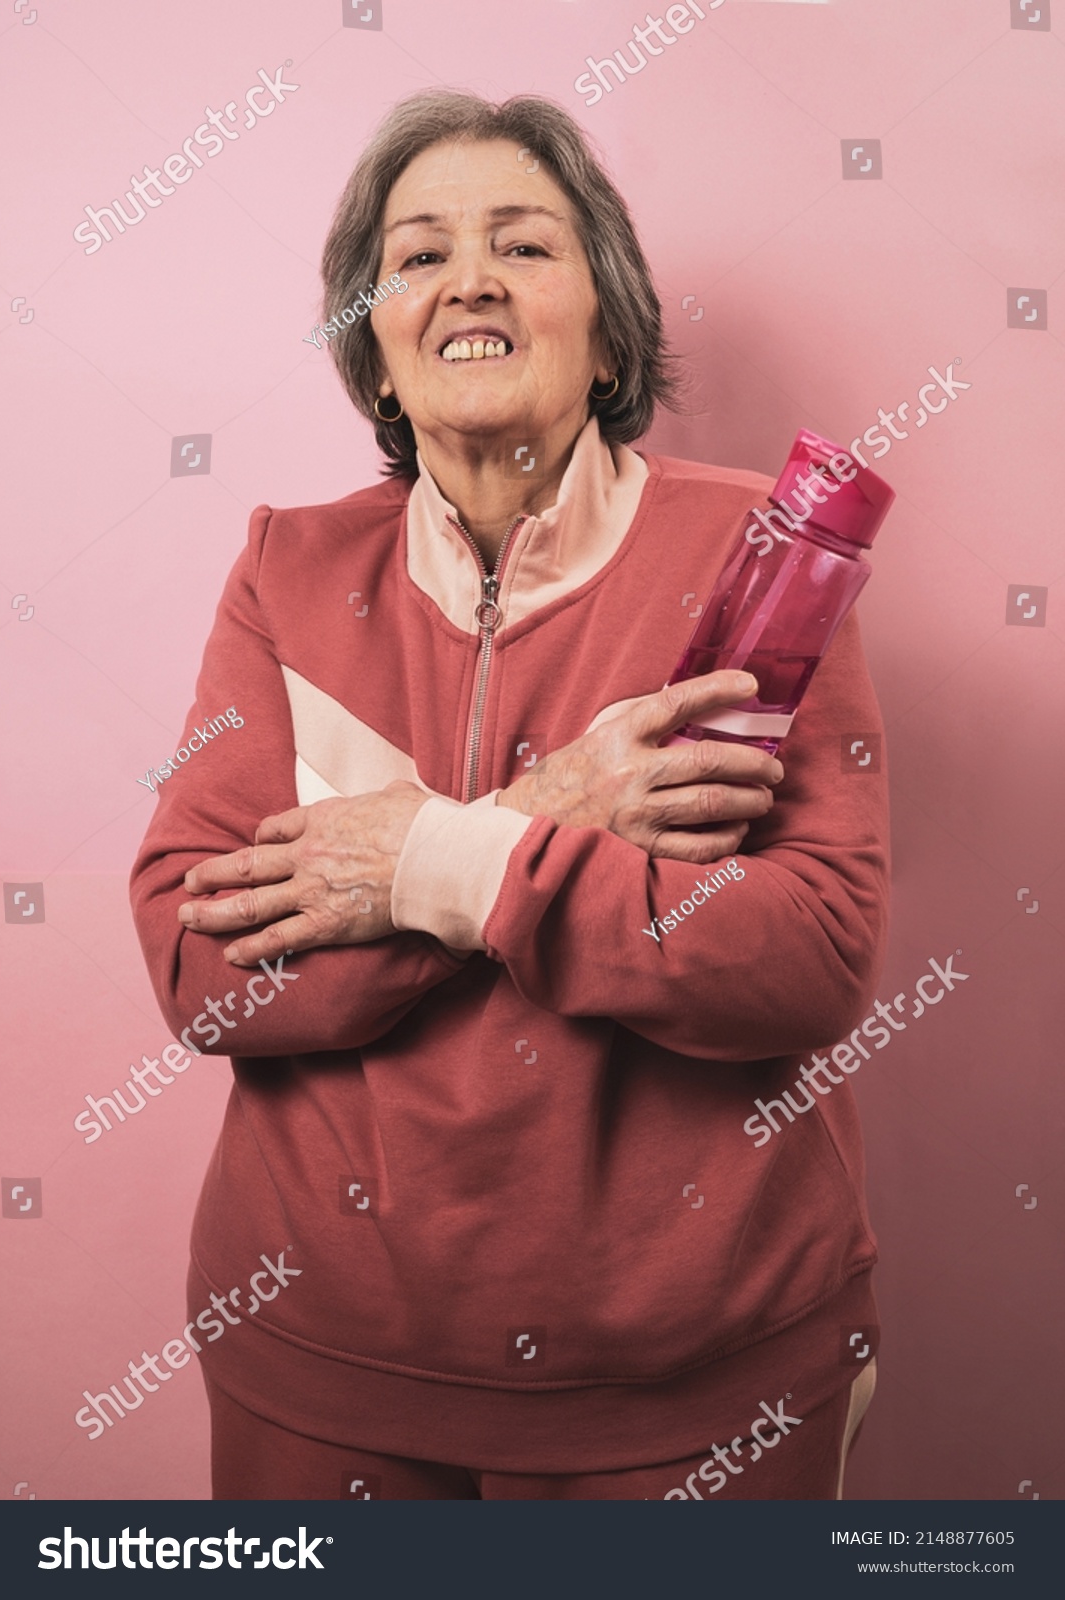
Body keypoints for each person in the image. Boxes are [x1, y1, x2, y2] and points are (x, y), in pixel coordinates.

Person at [130, 89, 887, 1501]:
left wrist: (415, 862)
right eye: (418, 256)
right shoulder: (284, 574)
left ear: (608, 328)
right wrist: (571, 805)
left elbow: (803, 961)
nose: (468, 276)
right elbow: (202, 963)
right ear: (377, 347)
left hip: (693, 1388)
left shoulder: (762, 558)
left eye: (524, 246)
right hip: (325, 1373)